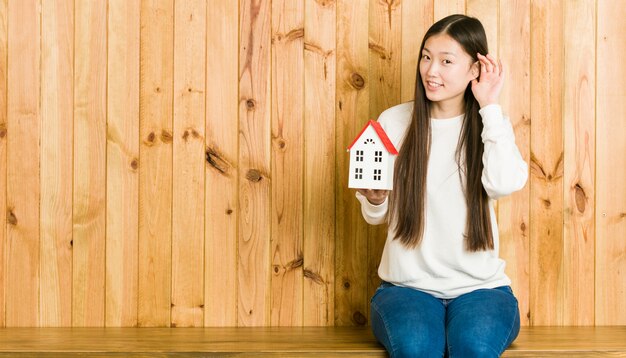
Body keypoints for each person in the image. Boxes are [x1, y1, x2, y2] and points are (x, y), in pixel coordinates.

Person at [356, 14, 528, 357]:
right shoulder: (395, 121)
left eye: (447, 61)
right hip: (405, 289)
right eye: (426, 57)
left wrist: (489, 105)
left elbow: (504, 183)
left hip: (482, 290)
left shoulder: (490, 124)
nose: (431, 71)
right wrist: (375, 201)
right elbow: (376, 216)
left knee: (474, 348)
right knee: (417, 348)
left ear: (475, 70)